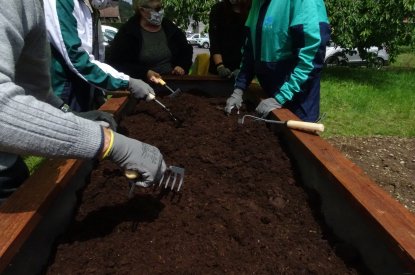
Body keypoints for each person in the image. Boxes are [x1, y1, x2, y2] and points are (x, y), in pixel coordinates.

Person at [0, 0, 166, 202]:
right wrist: (109, 144)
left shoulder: (36, 5)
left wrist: (68, 113)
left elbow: (34, 87)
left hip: (8, 166)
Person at [225, 0, 331, 122]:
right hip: (270, 98)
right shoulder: (258, 3)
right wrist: (239, 89)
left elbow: (311, 58)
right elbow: (250, 51)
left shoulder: (302, 3)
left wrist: (281, 98)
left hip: (299, 106)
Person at [43, 0, 156, 112]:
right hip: (64, 92)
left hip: (84, 87)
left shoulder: (89, 8)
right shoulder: (62, 3)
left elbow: (96, 56)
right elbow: (77, 59)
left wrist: (97, 91)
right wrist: (127, 82)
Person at [106, 0, 193, 83]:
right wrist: (144, 73)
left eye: (162, 8)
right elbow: (116, 63)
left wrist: (181, 66)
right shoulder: (128, 32)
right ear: (142, 10)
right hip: (141, 84)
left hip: (172, 80)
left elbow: (186, 51)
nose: (160, 12)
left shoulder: (170, 27)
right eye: (157, 9)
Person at [208, 0, 251, 78]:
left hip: (242, 72)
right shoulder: (218, 9)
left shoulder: (251, 10)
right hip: (217, 71)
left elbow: (250, 44)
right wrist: (220, 66)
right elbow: (214, 41)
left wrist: (242, 68)